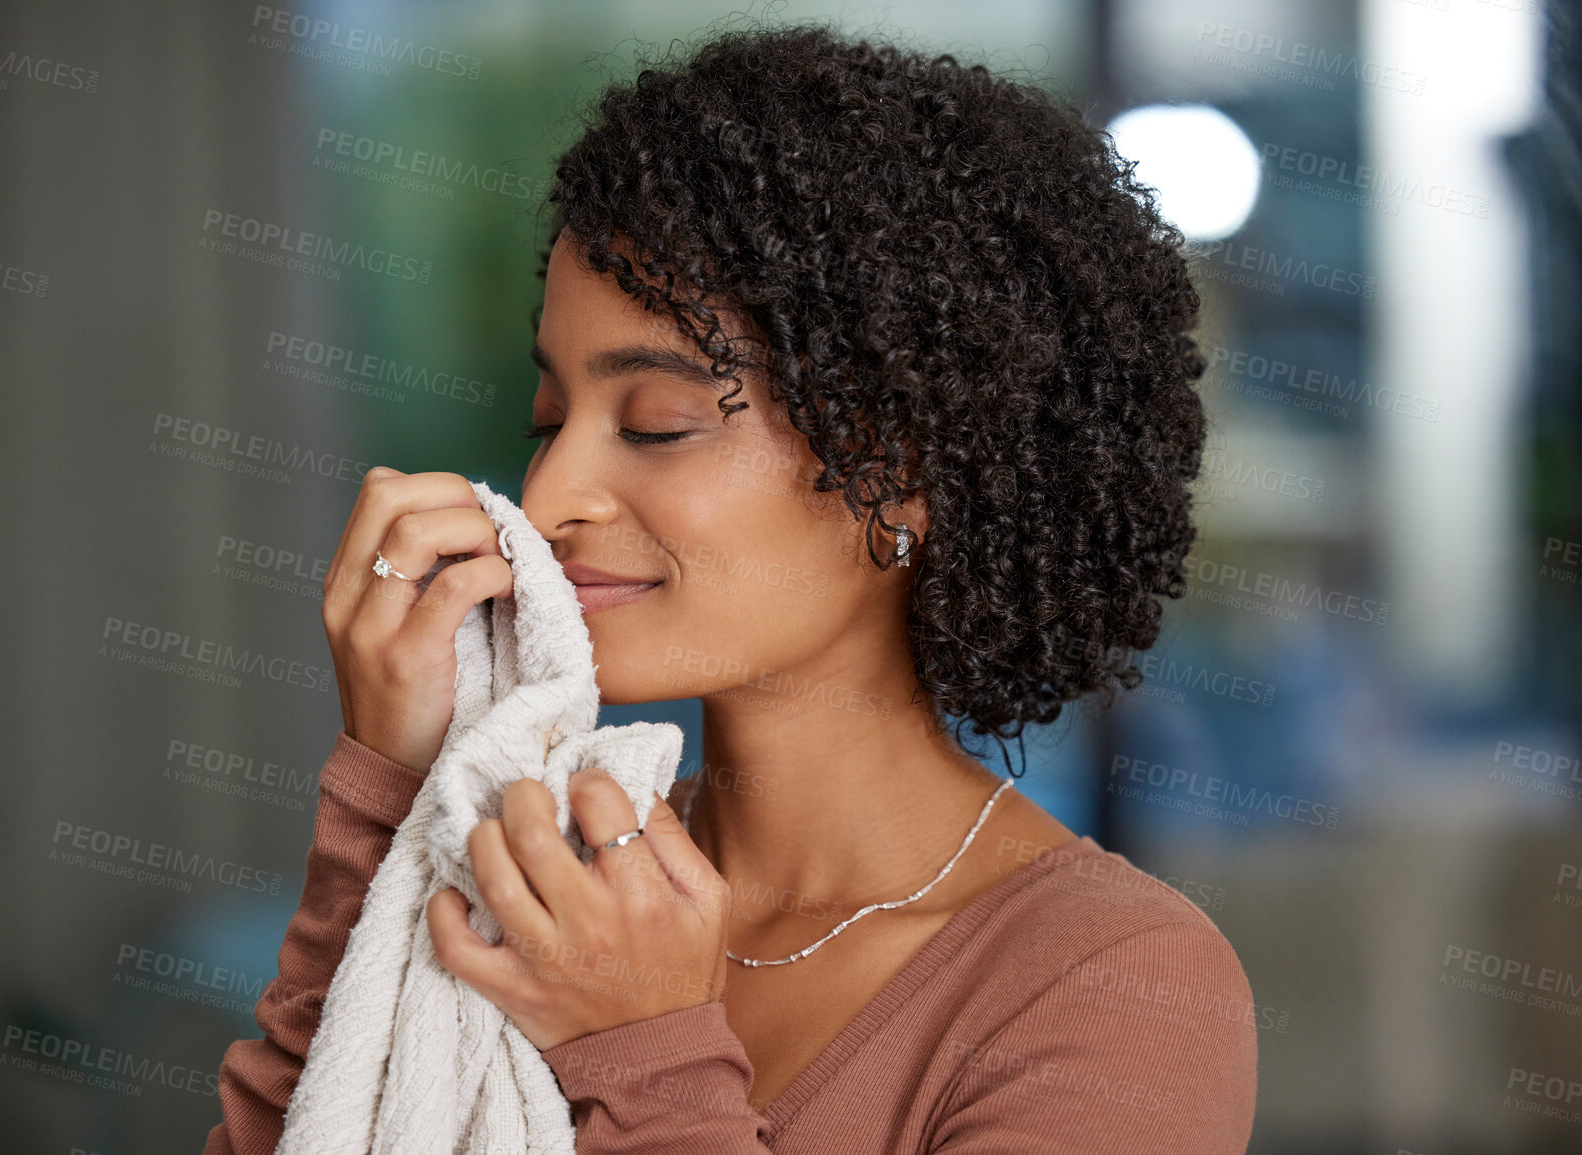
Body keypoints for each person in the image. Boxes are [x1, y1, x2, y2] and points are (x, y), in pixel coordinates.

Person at [205, 19, 1256, 1154]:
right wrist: (393, 798)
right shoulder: (537, 868)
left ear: (903, 478)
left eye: (657, 425)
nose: (550, 498)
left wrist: (648, 1053)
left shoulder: (1118, 982)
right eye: (549, 420)